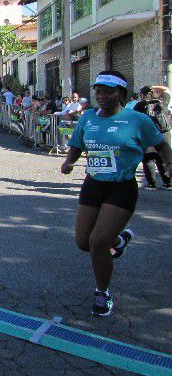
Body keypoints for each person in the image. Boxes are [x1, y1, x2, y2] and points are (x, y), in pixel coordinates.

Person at [61, 71, 172, 317]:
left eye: (108, 91)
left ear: (121, 93)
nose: (101, 95)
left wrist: (168, 164)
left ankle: (103, 293)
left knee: (98, 243)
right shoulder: (87, 118)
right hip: (94, 183)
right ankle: (118, 241)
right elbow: (77, 145)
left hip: (122, 186)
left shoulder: (136, 120)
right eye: (98, 90)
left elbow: (162, 145)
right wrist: (69, 162)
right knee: (83, 242)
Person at [134, 86, 172, 190]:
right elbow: (166, 90)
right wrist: (153, 87)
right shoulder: (162, 101)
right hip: (163, 135)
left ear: (142, 95)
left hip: (147, 134)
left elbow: (135, 121)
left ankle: (151, 184)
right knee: (161, 158)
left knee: (148, 159)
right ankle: (168, 183)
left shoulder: (140, 105)